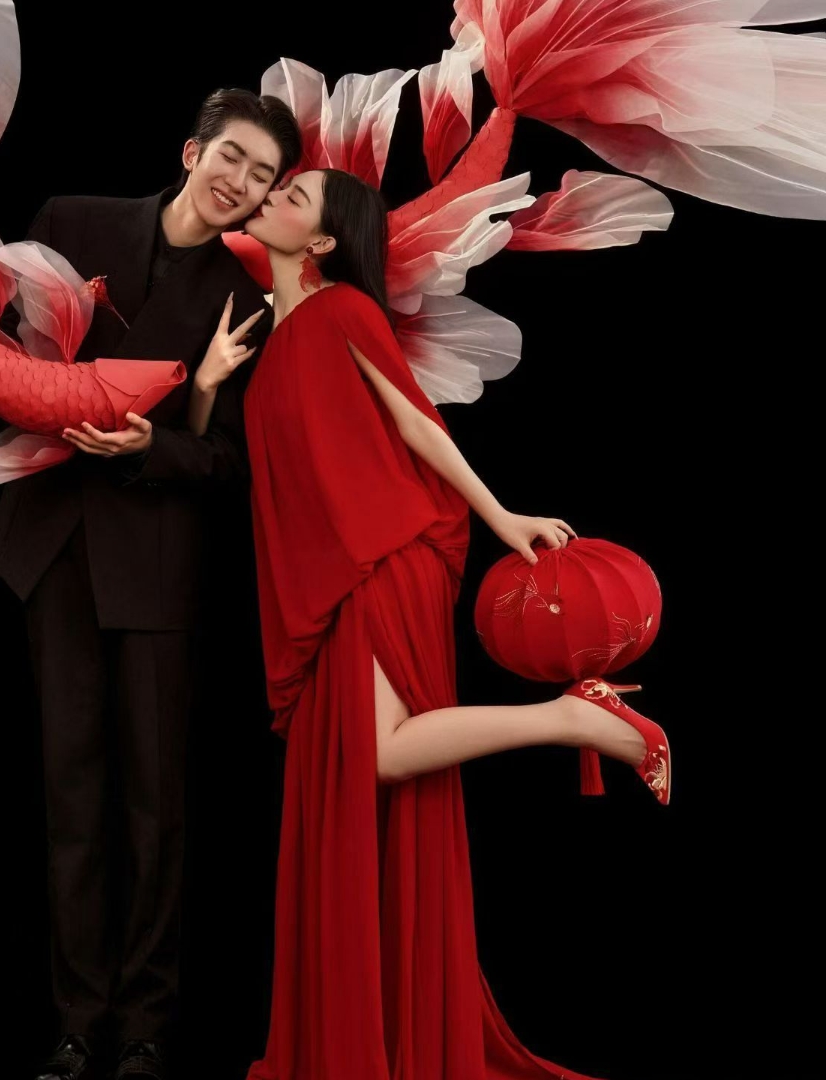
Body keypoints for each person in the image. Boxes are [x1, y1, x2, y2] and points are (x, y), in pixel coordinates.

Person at [189, 167, 671, 1080]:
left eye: (294, 197)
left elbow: (418, 426)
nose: (274, 197)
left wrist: (502, 518)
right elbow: (228, 454)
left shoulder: (343, 310)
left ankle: (577, 718)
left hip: (381, 560)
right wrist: (210, 382)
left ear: (322, 242)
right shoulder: (266, 335)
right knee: (358, 783)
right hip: (322, 583)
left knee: (376, 757)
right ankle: (367, 1030)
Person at [0, 90, 301, 1080]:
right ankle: (77, 1022)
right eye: (231, 158)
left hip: (157, 558)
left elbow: (235, 460)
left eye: (263, 177)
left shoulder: (250, 295)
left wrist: (155, 446)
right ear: (192, 151)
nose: (240, 182)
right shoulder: (73, 220)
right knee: (71, 791)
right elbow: (7, 349)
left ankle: (146, 1026)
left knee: (156, 804)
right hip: (56, 543)